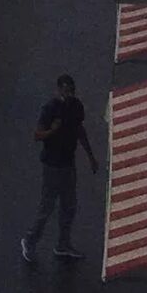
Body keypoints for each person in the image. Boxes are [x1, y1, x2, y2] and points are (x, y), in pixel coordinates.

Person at [21, 74, 98, 263]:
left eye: (71, 90)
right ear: (58, 90)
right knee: (47, 206)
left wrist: (90, 156)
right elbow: (38, 135)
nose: (68, 94)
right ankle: (30, 240)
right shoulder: (50, 109)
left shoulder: (76, 106)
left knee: (69, 205)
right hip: (52, 165)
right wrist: (52, 131)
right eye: (65, 90)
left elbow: (79, 130)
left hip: (68, 164)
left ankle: (63, 244)